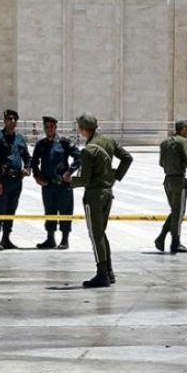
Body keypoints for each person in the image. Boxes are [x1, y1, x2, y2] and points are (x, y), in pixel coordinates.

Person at [64, 113, 132, 288]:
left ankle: (102, 275)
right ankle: (108, 271)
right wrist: (115, 176)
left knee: (95, 235)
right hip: (107, 193)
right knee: (101, 233)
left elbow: (84, 180)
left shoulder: (89, 150)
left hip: (94, 196)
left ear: (83, 129)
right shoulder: (109, 141)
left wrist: (68, 181)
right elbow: (127, 158)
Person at [31, 116, 81, 250]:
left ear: (55, 127)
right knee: (49, 211)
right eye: (46, 127)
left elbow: (79, 157)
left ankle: (65, 239)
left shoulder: (64, 143)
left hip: (63, 185)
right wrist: (37, 176)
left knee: (65, 212)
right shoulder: (41, 144)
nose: (49, 129)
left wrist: (69, 172)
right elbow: (34, 162)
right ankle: (50, 238)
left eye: (51, 127)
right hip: (48, 185)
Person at [0, 110, 31, 250]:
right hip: (4, 180)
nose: (12, 121)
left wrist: (27, 169)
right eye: (9, 118)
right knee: (0, 209)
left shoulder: (20, 138)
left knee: (11, 210)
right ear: (4, 121)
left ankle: (6, 238)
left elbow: (27, 157)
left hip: (17, 180)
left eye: (14, 119)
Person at [155, 120, 187, 254]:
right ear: (183, 129)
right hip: (179, 180)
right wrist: (183, 164)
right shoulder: (182, 142)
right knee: (179, 213)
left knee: (175, 211)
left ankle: (161, 238)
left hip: (168, 180)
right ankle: (175, 243)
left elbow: (161, 163)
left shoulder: (164, 143)